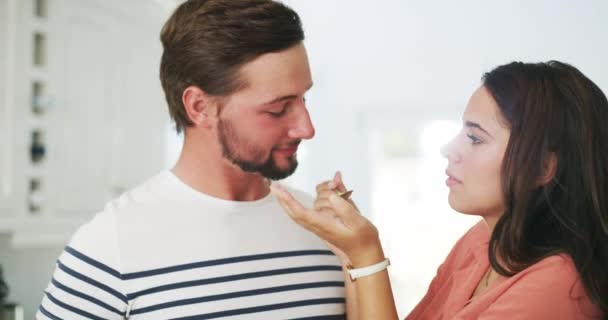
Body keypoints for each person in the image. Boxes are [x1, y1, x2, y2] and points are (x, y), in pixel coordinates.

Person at [37, 1, 346, 319]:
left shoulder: (330, 235)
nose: (306, 128)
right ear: (200, 107)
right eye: (277, 109)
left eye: (303, 98)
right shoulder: (107, 249)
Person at [273, 61, 607, 319]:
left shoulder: (558, 288)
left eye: (475, 138)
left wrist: (367, 254)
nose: (449, 149)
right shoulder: (483, 240)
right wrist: (349, 252)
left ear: (541, 168)